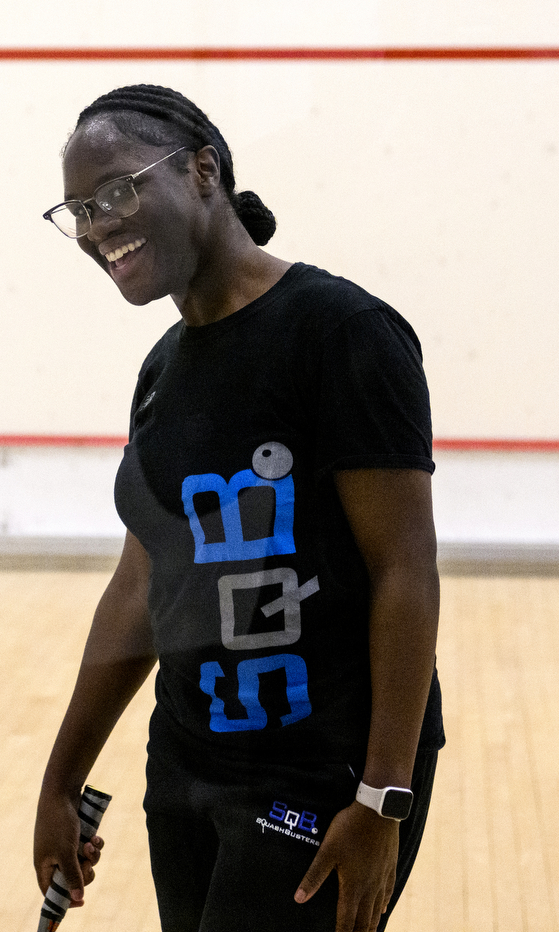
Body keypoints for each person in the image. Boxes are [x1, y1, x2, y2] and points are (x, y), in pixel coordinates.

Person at [32, 84, 444, 932]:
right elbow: (139, 588)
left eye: (115, 192)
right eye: (77, 210)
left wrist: (383, 796)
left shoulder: (341, 334)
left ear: (204, 170)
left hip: (324, 779)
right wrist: (60, 781)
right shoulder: (161, 374)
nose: (95, 225)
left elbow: (404, 571)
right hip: (186, 765)